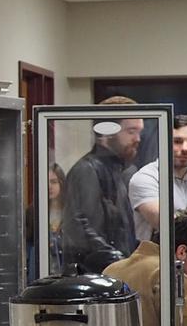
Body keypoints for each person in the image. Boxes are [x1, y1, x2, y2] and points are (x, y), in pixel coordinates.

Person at [60, 103, 141, 272]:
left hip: (112, 272)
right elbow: (78, 226)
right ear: (106, 133)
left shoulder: (119, 170)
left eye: (139, 132)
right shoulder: (87, 169)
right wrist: (118, 261)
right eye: (131, 131)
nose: (137, 139)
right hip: (93, 277)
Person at [128, 113, 187, 237]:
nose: (185, 148)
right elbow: (169, 226)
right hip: (157, 255)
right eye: (177, 141)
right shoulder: (145, 178)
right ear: (164, 142)